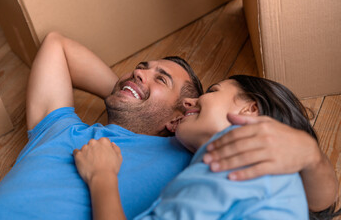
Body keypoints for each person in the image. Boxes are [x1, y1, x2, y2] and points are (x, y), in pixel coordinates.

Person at [0, 32, 337, 219]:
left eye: (162, 78)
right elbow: (56, 45)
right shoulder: (59, 129)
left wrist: (152, 105)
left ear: (177, 117)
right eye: (141, 66)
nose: (139, 71)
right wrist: (131, 91)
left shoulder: (187, 152)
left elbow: (316, 205)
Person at [74, 75, 341, 220]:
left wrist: (102, 177)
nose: (190, 102)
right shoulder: (279, 176)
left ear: (250, 109)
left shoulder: (234, 156)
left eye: (212, 91)